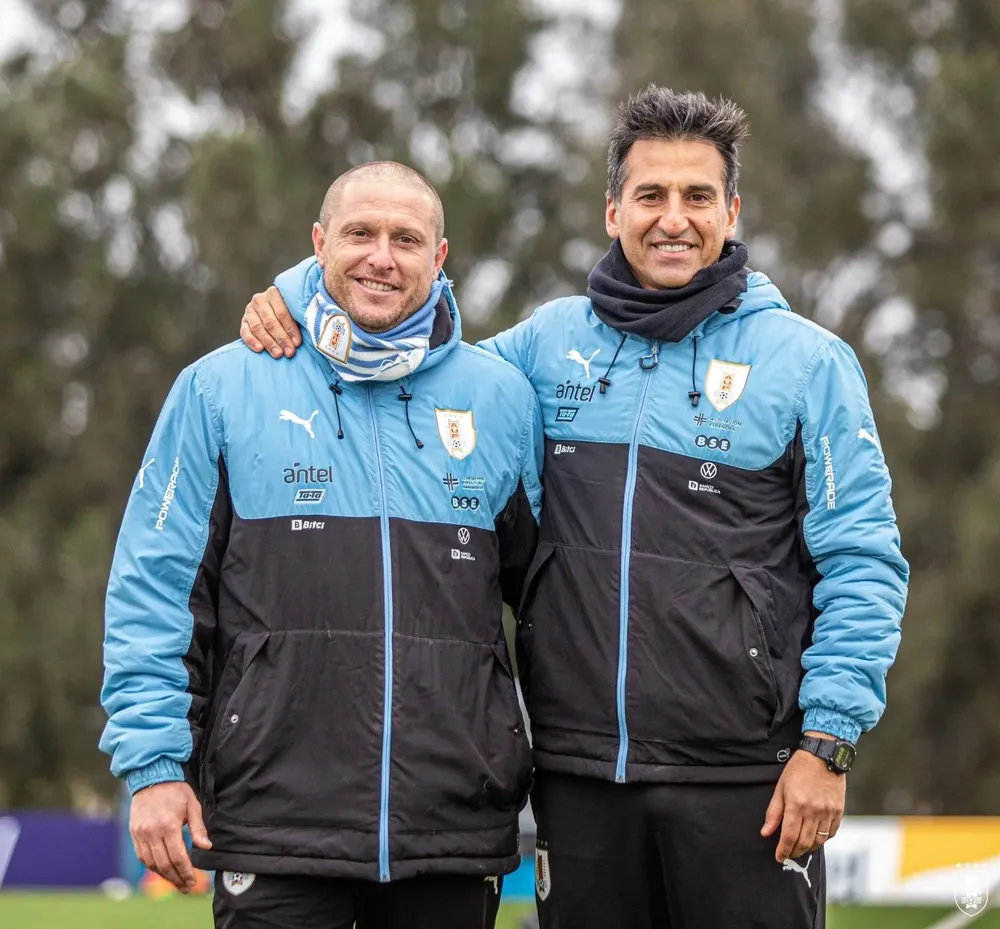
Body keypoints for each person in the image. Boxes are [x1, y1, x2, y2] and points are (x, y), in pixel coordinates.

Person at [240, 87, 908, 928]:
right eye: (650, 195)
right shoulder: (545, 347)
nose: (674, 218)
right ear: (611, 210)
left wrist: (828, 745)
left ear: (731, 210)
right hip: (580, 782)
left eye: (698, 196)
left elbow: (865, 566)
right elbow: (412, 340)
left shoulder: (811, 364)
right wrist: (301, 294)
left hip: (750, 782)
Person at [100, 161, 543, 929]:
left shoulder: (500, 398)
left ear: (439, 258)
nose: (382, 256)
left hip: (449, 827)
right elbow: (153, 590)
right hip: (274, 826)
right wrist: (154, 766)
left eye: (406, 238)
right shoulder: (220, 389)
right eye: (360, 233)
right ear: (317, 244)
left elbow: (557, 607)